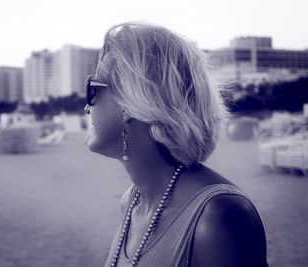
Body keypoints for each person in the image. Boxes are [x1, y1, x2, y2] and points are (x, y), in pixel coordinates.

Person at [84, 22, 268, 267]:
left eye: (92, 89)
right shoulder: (132, 201)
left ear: (130, 102)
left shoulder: (220, 216)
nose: (87, 107)